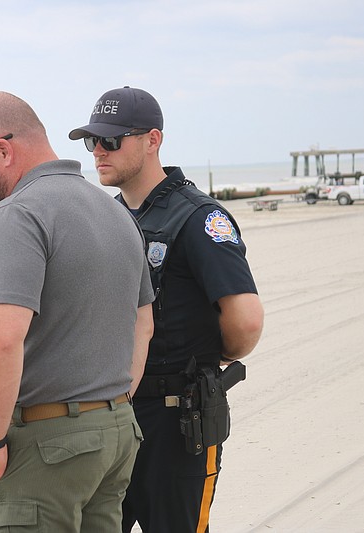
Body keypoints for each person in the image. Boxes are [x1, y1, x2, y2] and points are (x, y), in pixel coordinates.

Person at [0, 91, 155, 532]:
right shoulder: (115, 212)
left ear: (3, 150)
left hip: (47, 447)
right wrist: (110, 405)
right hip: (116, 432)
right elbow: (143, 324)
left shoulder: (18, 214)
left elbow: (1, 339)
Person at [69, 86, 265, 533]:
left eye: (111, 141)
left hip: (179, 417)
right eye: (91, 141)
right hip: (116, 411)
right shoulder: (111, 216)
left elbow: (246, 321)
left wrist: (203, 363)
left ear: (152, 140)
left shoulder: (197, 218)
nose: (98, 151)